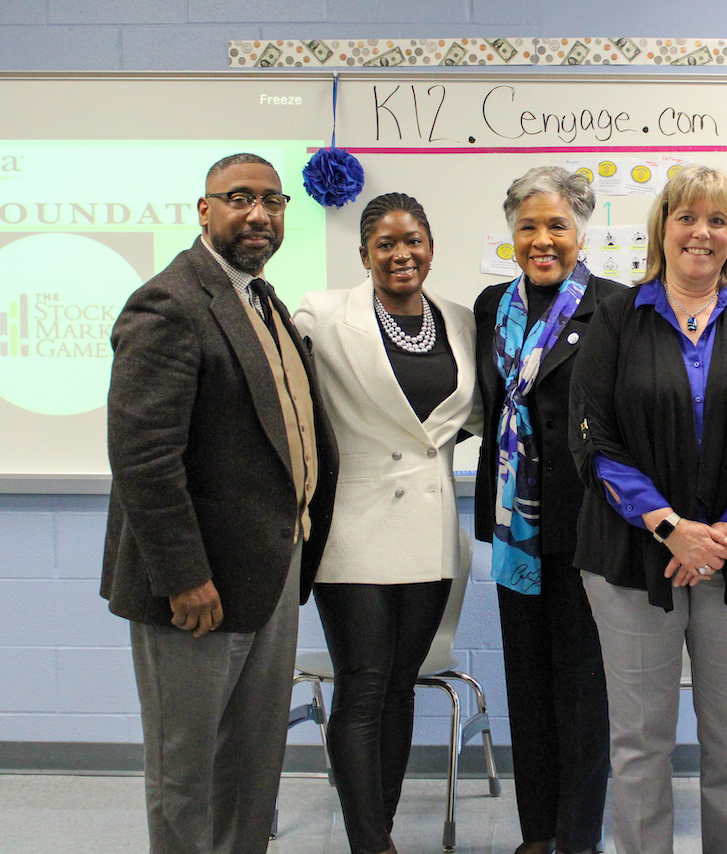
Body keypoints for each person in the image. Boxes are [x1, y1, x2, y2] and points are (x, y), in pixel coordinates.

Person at [102, 152, 339, 854]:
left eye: (274, 200)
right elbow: (144, 458)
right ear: (204, 210)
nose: (259, 214)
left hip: (269, 573)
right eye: (240, 198)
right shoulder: (169, 303)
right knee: (187, 772)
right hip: (197, 588)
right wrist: (183, 576)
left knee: (251, 767)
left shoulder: (262, 300)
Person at [570, 164, 727, 854]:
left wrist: (724, 534)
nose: (700, 232)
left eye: (717, 220)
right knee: (640, 744)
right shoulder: (614, 315)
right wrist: (673, 530)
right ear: (662, 229)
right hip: (629, 560)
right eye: (686, 217)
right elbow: (593, 438)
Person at [294, 193, 481, 854]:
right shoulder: (321, 314)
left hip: (430, 536)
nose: (402, 255)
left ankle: (384, 826)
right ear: (365, 252)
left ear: (431, 245)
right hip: (354, 530)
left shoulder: (460, 322)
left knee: (400, 686)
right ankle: (370, 842)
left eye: (415, 242)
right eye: (386, 244)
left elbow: (482, 415)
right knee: (363, 686)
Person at [473, 166, 624, 854]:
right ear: (511, 233)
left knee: (583, 698)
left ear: (582, 232)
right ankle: (537, 835)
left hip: (590, 532)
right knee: (528, 689)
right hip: (515, 533)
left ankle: (577, 838)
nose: (542, 240)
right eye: (528, 226)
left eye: (556, 226)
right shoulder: (489, 308)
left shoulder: (616, 308)